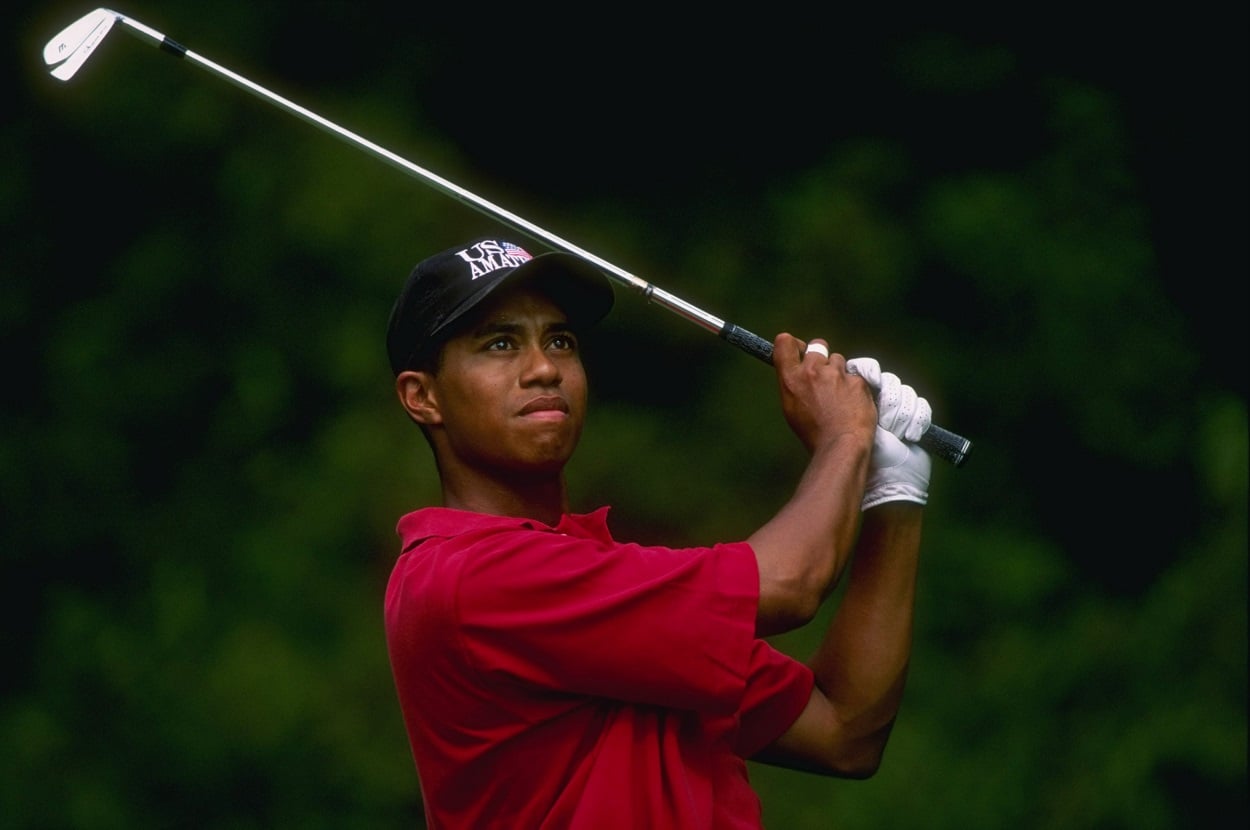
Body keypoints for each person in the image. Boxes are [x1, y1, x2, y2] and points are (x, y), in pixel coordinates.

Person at [382, 235, 934, 829]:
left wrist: (894, 495)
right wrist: (845, 437)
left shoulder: (604, 579)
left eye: (560, 341)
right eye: (499, 344)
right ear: (423, 396)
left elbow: (844, 731)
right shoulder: (465, 577)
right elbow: (789, 584)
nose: (543, 368)